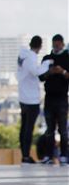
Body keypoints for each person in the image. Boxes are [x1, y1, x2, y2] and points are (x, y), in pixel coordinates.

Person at [17, 36, 49, 163]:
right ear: (40, 46)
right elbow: (36, 72)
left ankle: (24, 153)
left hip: (23, 96)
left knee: (24, 127)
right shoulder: (30, 57)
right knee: (28, 129)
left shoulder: (22, 55)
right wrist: (47, 64)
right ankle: (26, 155)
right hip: (31, 99)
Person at [39, 34, 69, 165]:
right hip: (49, 98)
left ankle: (64, 155)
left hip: (62, 98)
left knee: (63, 129)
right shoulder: (47, 58)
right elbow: (40, 76)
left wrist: (62, 71)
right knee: (49, 129)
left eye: (58, 45)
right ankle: (48, 155)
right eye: (54, 45)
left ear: (62, 44)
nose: (56, 47)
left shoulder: (67, 58)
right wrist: (50, 72)